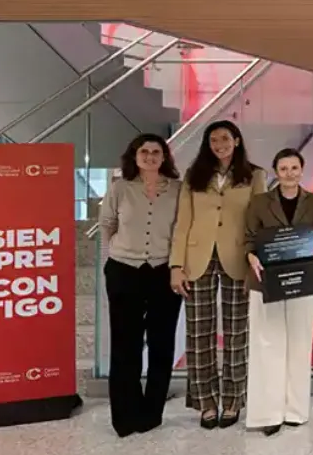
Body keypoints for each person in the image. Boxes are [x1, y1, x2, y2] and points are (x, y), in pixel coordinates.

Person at [169, 120, 267, 429]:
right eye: (213, 139)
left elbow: (258, 221)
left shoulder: (254, 175)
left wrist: (257, 258)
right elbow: (182, 223)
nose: (219, 144)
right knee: (199, 334)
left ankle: (234, 399)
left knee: (237, 334)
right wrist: (176, 265)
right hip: (197, 258)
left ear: (236, 140)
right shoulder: (194, 175)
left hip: (238, 257)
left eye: (225, 138)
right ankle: (206, 402)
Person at [100, 133, 183, 437]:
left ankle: (151, 413)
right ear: (134, 156)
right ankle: (125, 415)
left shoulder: (177, 189)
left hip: (164, 271)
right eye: (144, 151)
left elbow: (182, 230)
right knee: (125, 345)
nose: (149, 156)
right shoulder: (119, 188)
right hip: (124, 270)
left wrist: (178, 267)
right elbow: (107, 224)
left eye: (156, 152)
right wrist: (109, 263)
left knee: (161, 344)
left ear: (164, 157)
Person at [243, 148, 313, 436]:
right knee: (268, 345)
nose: (289, 173)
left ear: (302, 170)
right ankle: (268, 413)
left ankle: (295, 411)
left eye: (294, 168)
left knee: (300, 343)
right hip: (266, 280)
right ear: (275, 172)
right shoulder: (258, 202)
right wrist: (251, 256)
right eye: (283, 168)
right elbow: (249, 238)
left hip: (303, 280)